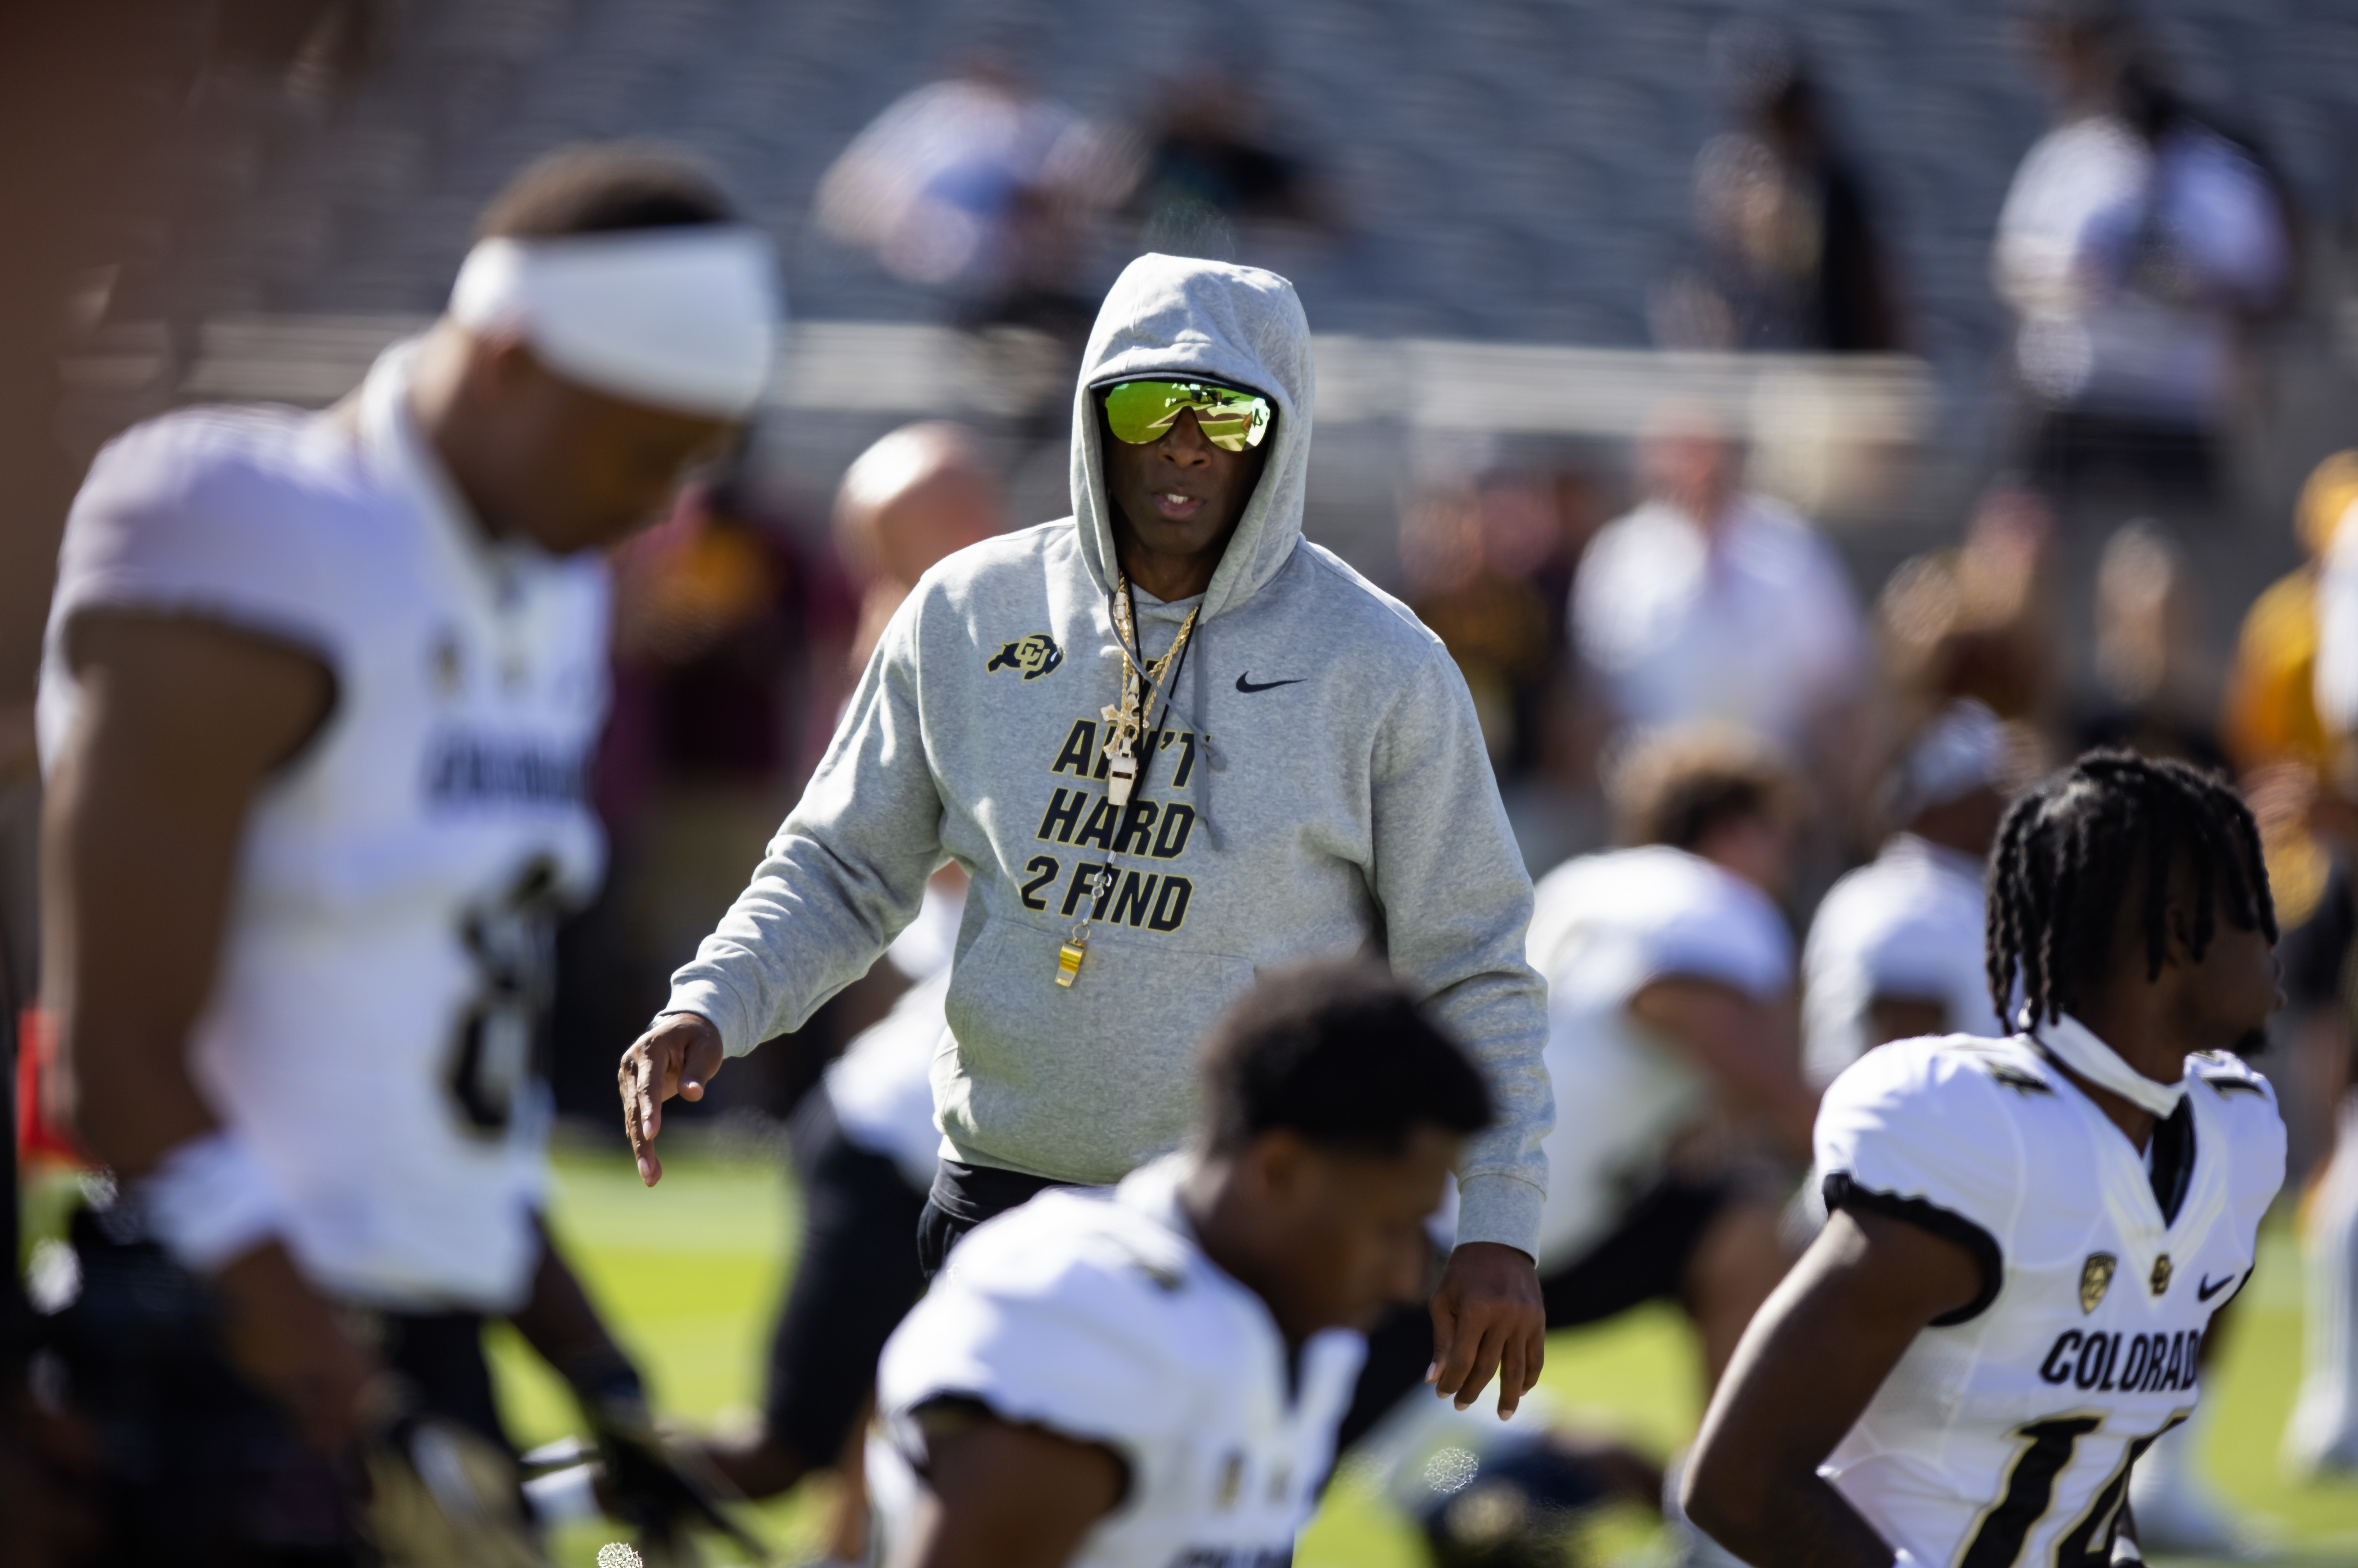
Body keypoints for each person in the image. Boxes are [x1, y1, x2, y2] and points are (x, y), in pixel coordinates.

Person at [621, 251, 1554, 1420]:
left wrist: (1500, 1225)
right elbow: (844, 861)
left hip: (1251, 1229)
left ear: (1277, 429)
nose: (1178, 441)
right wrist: (716, 997)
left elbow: (1471, 960)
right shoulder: (969, 609)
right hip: (994, 1204)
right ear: (1091, 416)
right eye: (1145, 401)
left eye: (1221, 410)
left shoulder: (1381, 662)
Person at [35, 144, 775, 1561]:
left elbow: (439, 1087)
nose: (658, 511)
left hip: (405, 1335)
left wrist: (597, 1371)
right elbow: (112, 1056)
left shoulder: (542, 597)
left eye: (691, 466)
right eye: (639, 453)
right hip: (226, 1343)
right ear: (504, 358)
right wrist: (343, 1391)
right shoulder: (250, 521)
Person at [1683, 750, 2286, 1568]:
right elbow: (1738, 1481)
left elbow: (2080, 1464)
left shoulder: (2230, 1134)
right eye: (2253, 910)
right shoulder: (1983, 1138)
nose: (2277, 946)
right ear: (2179, 930)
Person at [865, 962, 1493, 1568]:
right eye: (1390, 1229)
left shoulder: (1291, 1321)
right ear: (1279, 1171)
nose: (1407, 1277)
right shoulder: (1085, 1317)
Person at [694, 425, 1001, 1560]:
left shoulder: (1038, 624)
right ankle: (560, 1503)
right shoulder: (924, 650)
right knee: (781, 1451)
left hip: (988, 1138)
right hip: (899, 1145)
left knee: (927, 1454)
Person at [1993, 0, 2293, 511]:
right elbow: (2010, 270)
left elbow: (2271, 289)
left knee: (2181, 557)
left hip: (2176, 410)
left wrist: (2199, 290)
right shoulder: (2072, 161)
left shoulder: (2218, 177)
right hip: (2076, 402)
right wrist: (2081, 280)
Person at [1571, 410, 1867, 775]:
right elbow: (1598, 696)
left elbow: (1837, 685)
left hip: (1776, 784)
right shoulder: (1618, 557)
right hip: (1658, 783)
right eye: (1682, 452)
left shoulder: (1796, 551)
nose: (1697, 469)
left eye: (1708, 451)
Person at [1802, 700, 2010, 1089]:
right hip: (1919, 1147)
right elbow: (1906, 1091)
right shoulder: (1910, 904)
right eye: (1989, 787)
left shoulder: (1886, 890)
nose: (2005, 803)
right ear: (1944, 801)